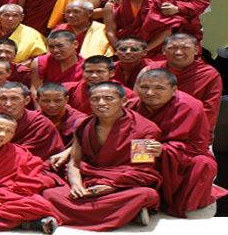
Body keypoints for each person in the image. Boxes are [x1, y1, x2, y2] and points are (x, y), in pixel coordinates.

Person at [42, 82, 161, 230]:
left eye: (108, 98)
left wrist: (111, 187)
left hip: (121, 184)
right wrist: (76, 185)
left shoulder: (145, 129)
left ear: (123, 101)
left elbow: (141, 170)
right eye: (95, 99)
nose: (101, 103)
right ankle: (127, 213)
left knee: (147, 194)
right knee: (49, 193)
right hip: (88, 180)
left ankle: (81, 214)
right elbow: (74, 161)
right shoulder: (83, 124)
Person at [134, 69, 225, 217]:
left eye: (159, 88)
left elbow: (198, 146)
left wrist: (164, 150)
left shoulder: (190, 106)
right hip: (142, 155)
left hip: (180, 157)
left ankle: (172, 202)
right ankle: (143, 200)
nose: (150, 93)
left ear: (173, 90)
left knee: (203, 164)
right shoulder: (132, 106)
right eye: (144, 87)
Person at [143, 32, 222, 131]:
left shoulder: (209, 75)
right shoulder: (150, 70)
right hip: (150, 131)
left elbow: (209, 112)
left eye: (185, 48)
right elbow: (138, 104)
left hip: (189, 133)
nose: (178, 52)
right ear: (163, 50)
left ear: (196, 50)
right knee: (135, 145)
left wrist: (176, 129)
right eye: (172, 48)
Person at [103, 0, 180, 53]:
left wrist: (145, 50)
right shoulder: (112, 5)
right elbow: (110, 32)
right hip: (124, 52)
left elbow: (166, 32)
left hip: (154, 51)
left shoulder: (159, 3)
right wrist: (121, 50)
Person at [0, 82, 63, 161]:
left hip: (28, 167)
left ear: (27, 100)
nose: (8, 104)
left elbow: (31, 157)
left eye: (15, 99)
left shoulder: (40, 124)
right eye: (3, 99)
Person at [36, 82, 87, 147]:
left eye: (58, 101)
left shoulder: (80, 120)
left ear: (66, 99)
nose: (52, 105)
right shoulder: (34, 119)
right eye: (46, 101)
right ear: (37, 100)